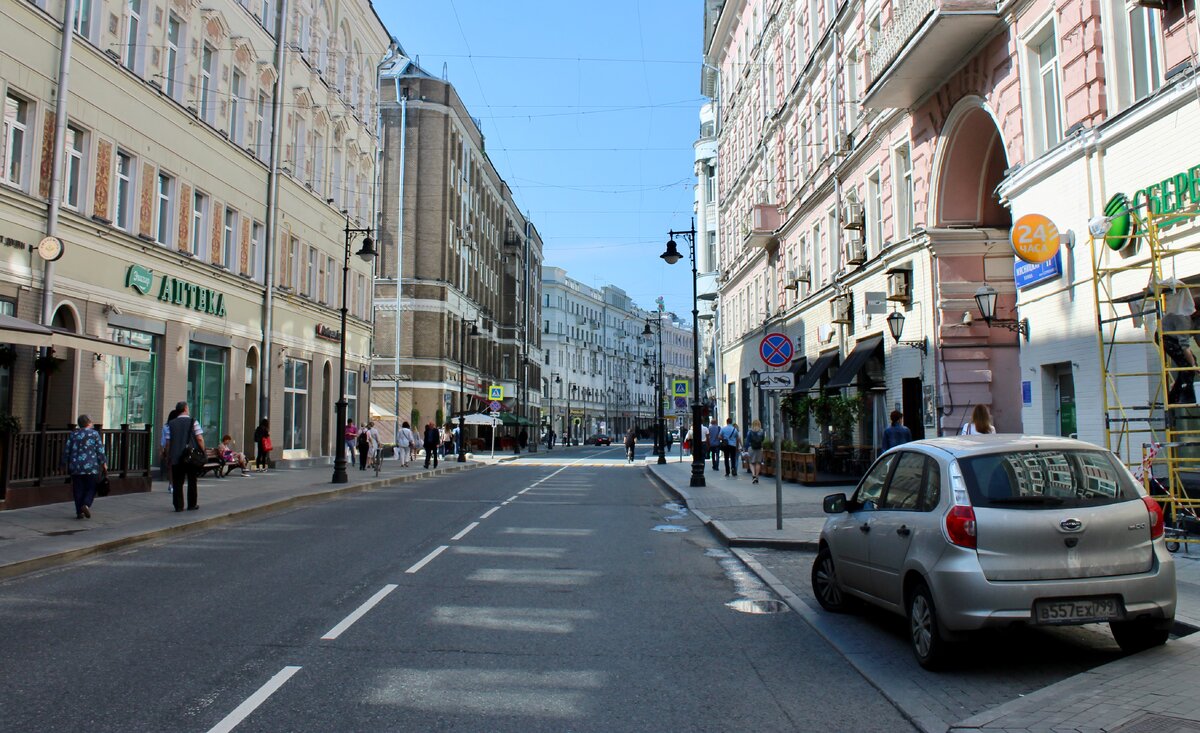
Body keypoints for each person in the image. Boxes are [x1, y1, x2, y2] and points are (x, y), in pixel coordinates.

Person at [62, 414, 106, 519]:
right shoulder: (94, 434)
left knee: (78, 489)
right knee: (92, 487)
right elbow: (100, 450)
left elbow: (67, 450)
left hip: (75, 466)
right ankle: (86, 504)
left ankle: (79, 512)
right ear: (88, 422)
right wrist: (103, 463)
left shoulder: (73, 434)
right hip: (91, 466)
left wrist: (63, 462)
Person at [167, 401, 205, 512]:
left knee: (178, 481)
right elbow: (199, 438)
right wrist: (202, 451)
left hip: (176, 457)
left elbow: (168, 442)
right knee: (192, 480)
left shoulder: (171, 423)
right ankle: (192, 504)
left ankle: (178, 506)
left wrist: (169, 455)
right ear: (185, 408)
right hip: (190, 457)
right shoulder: (193, 422)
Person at [160, 408, 180, 488]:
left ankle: (171, 484)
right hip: (177, 448)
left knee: (170, 467)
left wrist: (162, 451)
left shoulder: (166, 426)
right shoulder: (177, 426)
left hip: (169, 449)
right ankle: (174, 484)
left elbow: (163, 441)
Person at [746, 419, 766, 484]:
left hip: (751, 448)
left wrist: (745, 449)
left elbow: (747, 441)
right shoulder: (762, 431)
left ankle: (753, 475)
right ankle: (757, 476)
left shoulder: (750, 431)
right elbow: (763, 439)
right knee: (758, 462)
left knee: (751, 462)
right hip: (759, 448)